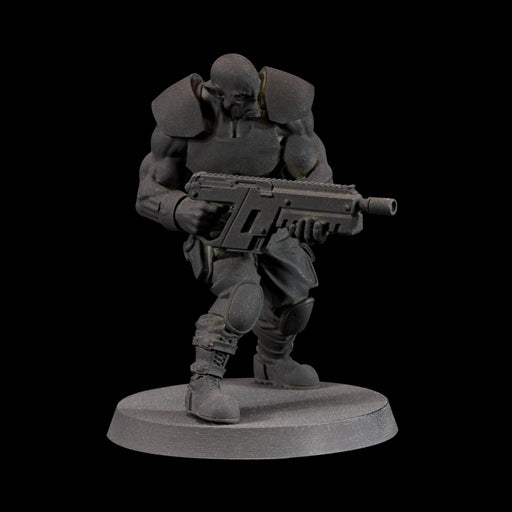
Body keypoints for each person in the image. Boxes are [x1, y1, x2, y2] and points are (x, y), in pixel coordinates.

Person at [136, 54, 333, 423]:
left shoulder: (285, 110)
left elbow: (316, 171)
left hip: (272, 217)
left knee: (295, 299)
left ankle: (273, 360)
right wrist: (179, 208)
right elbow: (147, 193)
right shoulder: (181, 118)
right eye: (242, 98)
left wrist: (315, 212)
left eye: (255, 93)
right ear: (216, 93)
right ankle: (203, 384)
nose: (254, 104)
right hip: (218, 225)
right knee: (243, 296)